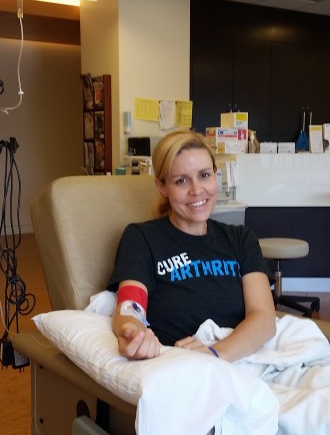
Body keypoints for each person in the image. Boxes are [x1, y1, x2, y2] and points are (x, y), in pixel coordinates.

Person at [109, 129, 276, 362]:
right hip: (181, 367)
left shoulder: (241, 239)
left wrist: (215, 354)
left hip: (236, 358)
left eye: (205, 175)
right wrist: (132, 333)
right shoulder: (142, 238)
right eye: (181, 181)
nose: (197, 190)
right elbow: (130, 307)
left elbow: (264, 318)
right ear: (162, 187)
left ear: (216, 176)